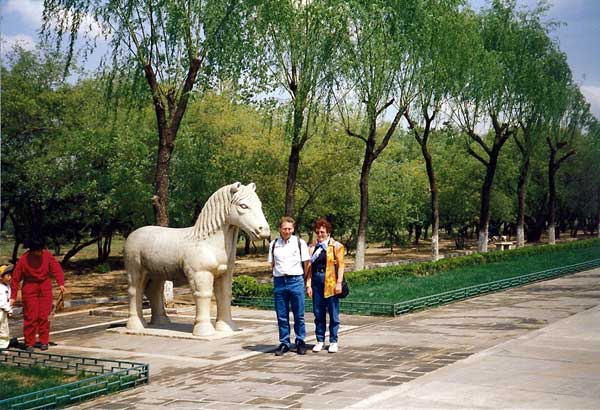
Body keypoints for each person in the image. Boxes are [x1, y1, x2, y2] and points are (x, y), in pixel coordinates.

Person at [10, 237, 65, 352]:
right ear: (31, 250)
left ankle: (44, 341)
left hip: (45, 286)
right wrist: (13, 296)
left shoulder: (47, 255)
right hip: (29, 287)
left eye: (40, 250)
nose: (39, 253)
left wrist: (61, 283)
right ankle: (29, 343)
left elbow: (56, 269)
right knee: (31, 316)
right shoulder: (24, 259)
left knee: (44, 316)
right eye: (36, 250)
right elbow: (15, 279)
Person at [268, 217, 310, 356]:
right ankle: (285, 342)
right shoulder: (274, 244)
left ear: (293, 229)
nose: (287, 231)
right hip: (280, 281)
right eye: (284, 228)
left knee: (299, 314)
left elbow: (306, 263)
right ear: (280, 229)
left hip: (296, 280)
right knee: (282, 315)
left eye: (290, 229)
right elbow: (272, 263)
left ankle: (300, 341)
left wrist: (304, 281)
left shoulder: (300, 243)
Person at [305, 218, 345, 353]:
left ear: (328, 232)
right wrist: (308, 284)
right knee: (318, 312)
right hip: (316, 280)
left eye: (322, 232)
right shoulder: (312, 247)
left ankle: (333, 340)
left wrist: (339, 282)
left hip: (331, 281)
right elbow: (309, 268)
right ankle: (320, 339)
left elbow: (341, 266)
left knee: (333, 312)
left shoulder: (336, 246)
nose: (320, 234)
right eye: (317, 232)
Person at [0, 264, 14, 349]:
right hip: (1, 310)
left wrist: (9, 309)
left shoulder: (7, 286)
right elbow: (1, 302)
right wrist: (9, 310)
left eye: (10, 275)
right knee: (2, 329)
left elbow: (7, 300)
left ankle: (3, 346)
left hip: (4, 311)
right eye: (8, 275)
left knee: (4, 328)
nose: (10, 277)